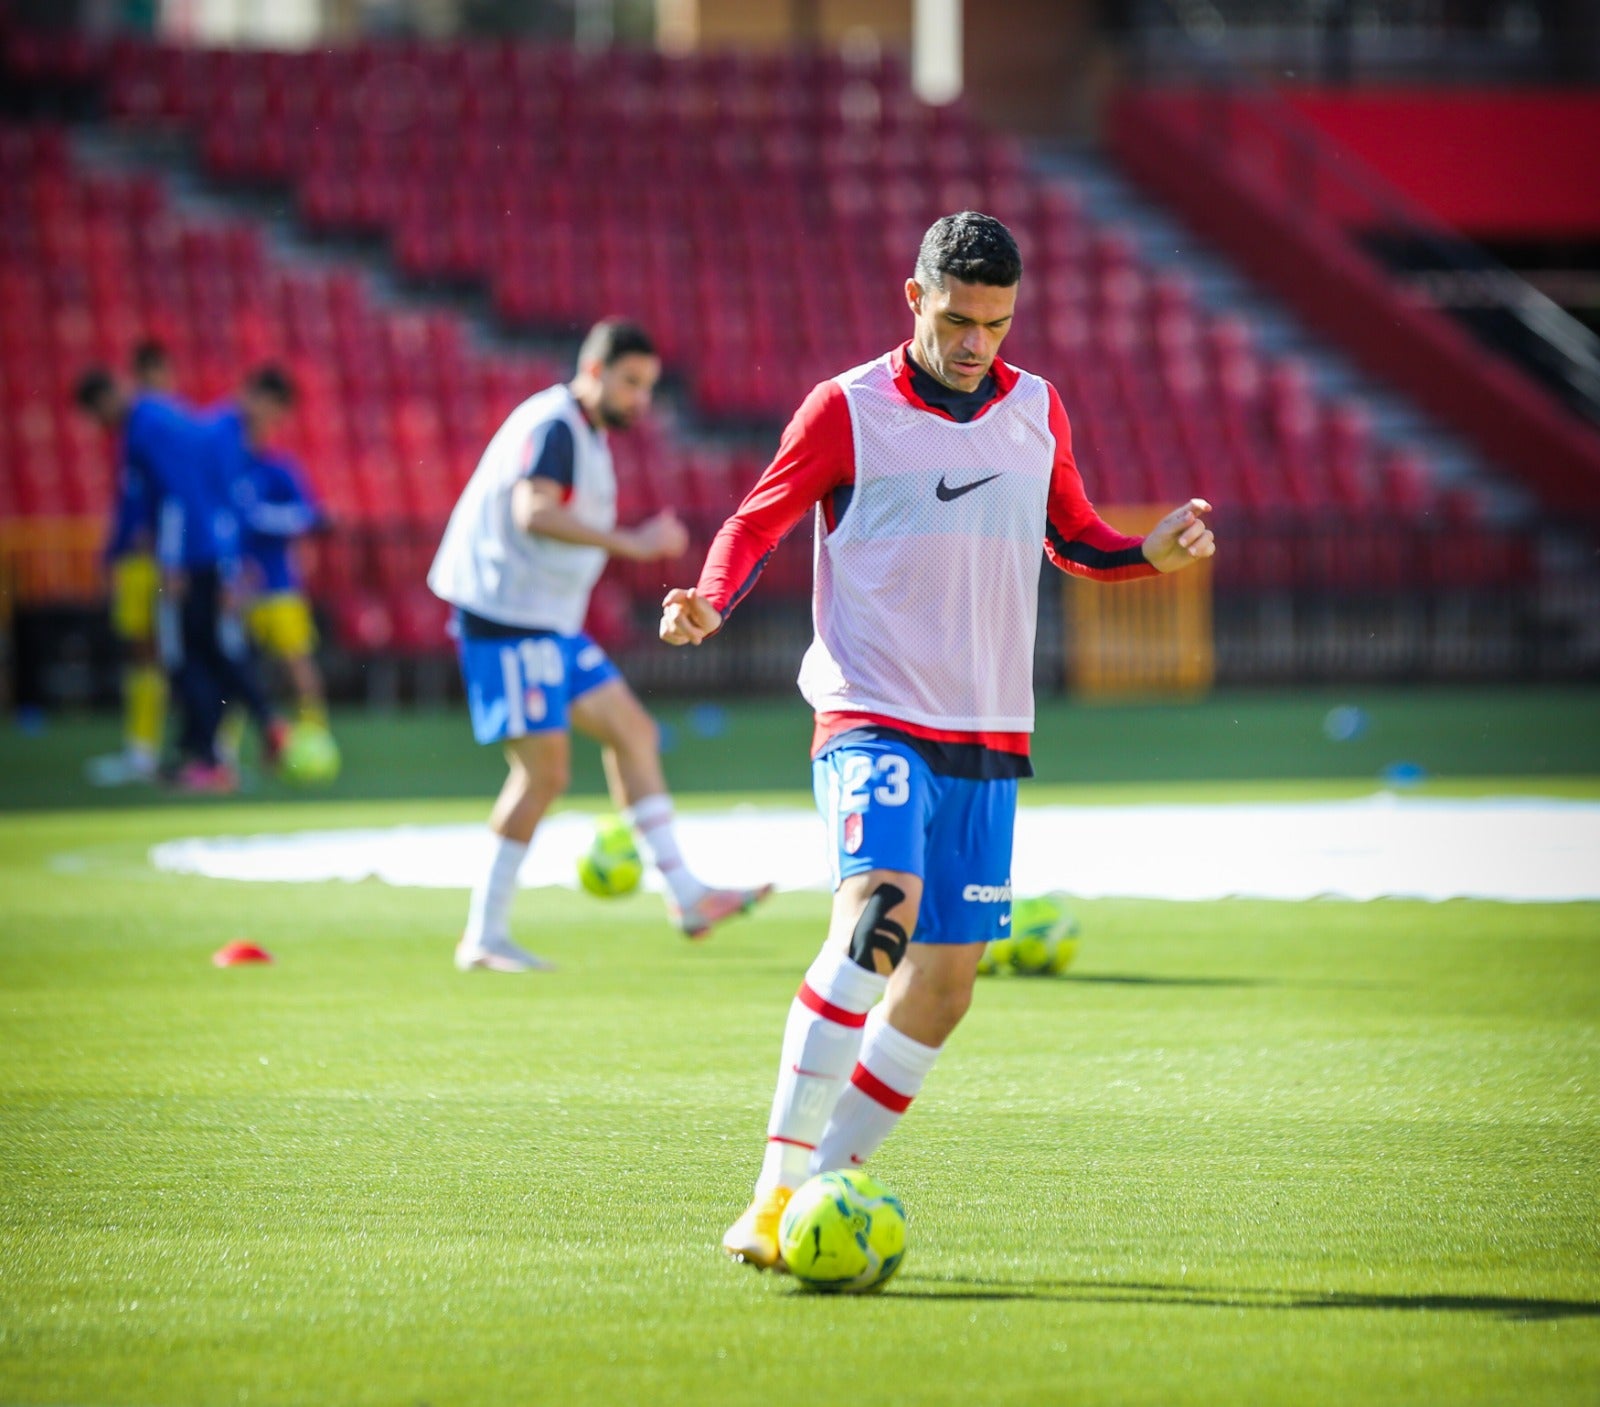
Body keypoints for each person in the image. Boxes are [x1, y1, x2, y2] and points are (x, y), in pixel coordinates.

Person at [658, 211, 1217, 1269]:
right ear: (913, 299)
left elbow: (1076, 542)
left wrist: (1147, 554)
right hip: (871, 712)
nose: (975, 344)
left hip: (988, 733)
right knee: (877, 918)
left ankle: (830, 1178)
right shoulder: (846, 409)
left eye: (995, 325)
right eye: (957, 319)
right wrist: (710, 599)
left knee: (947, 983)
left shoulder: (1037, 409)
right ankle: (773, 1197)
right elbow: (755, 521)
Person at [427, 319, 774, 973]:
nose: (640, 399)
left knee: (634, 733)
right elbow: (535, 511)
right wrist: (633, 543)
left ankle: (688, 896)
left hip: (547, 622)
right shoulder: (557, 426)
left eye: (647, 386)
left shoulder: (580, 431)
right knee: (544, 773)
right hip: (508, 621)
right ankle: (483, 935)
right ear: (593, 372)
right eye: (630, 382)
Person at [74, 367, 285, 793]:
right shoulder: (202, 427)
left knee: (187, 658)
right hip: (210, 556)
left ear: (107, 399)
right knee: (212, 653)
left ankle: (217, 752)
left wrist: (169, 560)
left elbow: (175, 496)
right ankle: (231, 739)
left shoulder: (147, 428)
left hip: (191, 560)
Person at [212, 367, 330, 732]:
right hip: (231, 585)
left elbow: (312, 515)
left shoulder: (279, 468)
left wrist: (258, 518)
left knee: (296, 659)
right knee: (229, 666)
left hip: (278, 582)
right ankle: (221, 749)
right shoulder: (221, 462)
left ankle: (315, 734)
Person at [85, 339, 177, 786]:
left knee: (156, 654)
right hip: (150, 557)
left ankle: (166, 753)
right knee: (151, 655)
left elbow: (161, 492)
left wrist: (158, 544)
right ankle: (146, 751)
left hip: (158, 560)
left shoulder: (148, 422)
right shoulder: (140, 425)